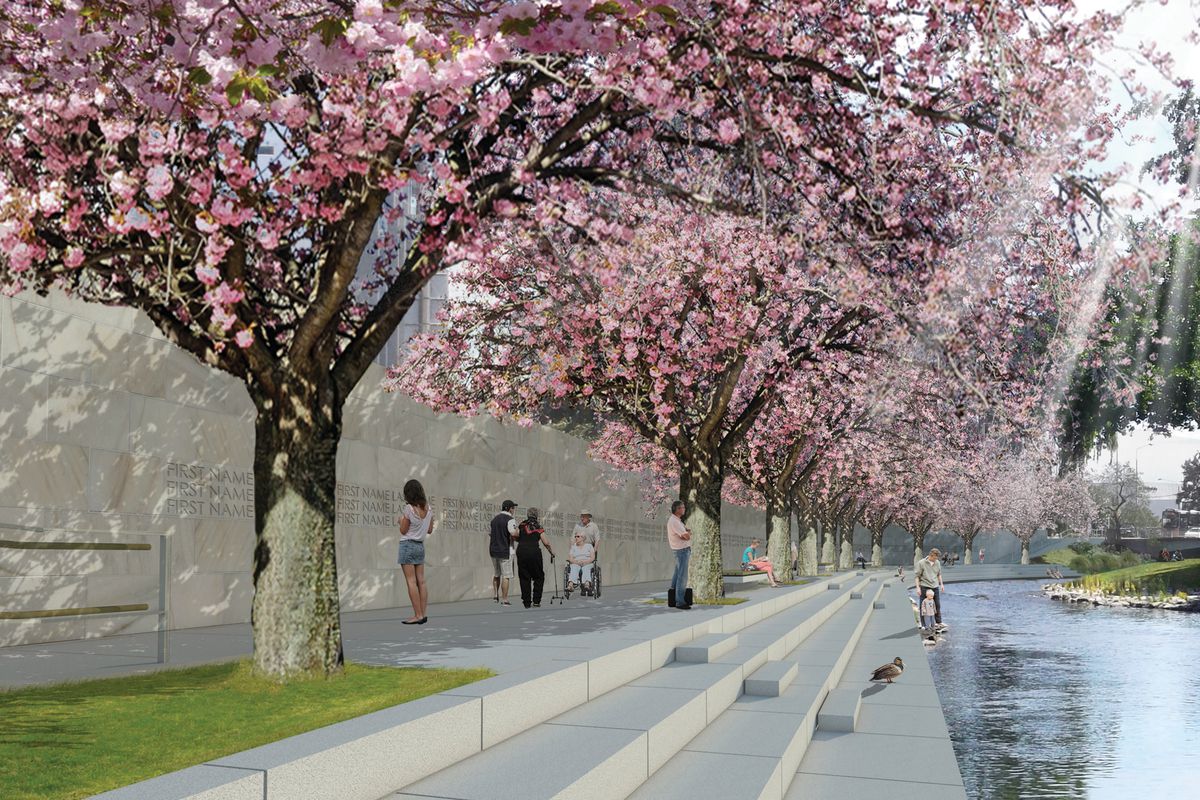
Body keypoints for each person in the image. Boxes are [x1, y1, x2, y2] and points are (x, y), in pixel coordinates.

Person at [398, 479, 433, 625]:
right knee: (421, 581)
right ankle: (422, 614)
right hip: (420, 546)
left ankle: (417, 615)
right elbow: (430, 530)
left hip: (407, 545)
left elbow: (403, 530)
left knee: (411, 582)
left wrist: (400, 520)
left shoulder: (409, 509)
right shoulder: (429, 509)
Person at [515, 507, 555, 608]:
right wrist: (551, 552)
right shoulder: (538, 526)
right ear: (536, 516)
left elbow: (515, 535)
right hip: (534, 553)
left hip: (521, 552)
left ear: (528, 515)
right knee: (539, 577)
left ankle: (527, 602)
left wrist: (521, 541)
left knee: (524, 577)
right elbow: (546, 542)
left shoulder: (522, 524)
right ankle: (536, 601)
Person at [489, 499, 520, 605]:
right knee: (506, 576)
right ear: (509, 508)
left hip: (493, 550)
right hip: (506, 551)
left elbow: (490, 534)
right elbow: (514, 533)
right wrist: (518, 533)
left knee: (496, 574)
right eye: (513, 508)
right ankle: (505, 599)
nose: (513, 510)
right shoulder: (510, 520)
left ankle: (495, 596)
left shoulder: (494, 520)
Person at [667, 500, 692, 610]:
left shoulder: (676, 521)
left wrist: (685, 533)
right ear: (677, 509)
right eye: (682, 507)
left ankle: (673, 599)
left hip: (680, 550)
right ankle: (680, 602)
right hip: (682, 551)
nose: (684, 509)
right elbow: (686, 536)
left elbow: (684, 534)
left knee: (677, 574)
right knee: (682, 577)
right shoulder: (675, 522)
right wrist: (687, 534)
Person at [915, 547, 947, 632]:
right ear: (931, 555)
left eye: (937, 558)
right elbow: (917, 576)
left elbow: (939, 574)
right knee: (923, 606)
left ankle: (938, 622)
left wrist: (942, 585)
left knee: (937, 605)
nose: (936, 560)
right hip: (924, 586)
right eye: (935, 558)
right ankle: (923, 624)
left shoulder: (937, 563)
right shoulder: (921, 563)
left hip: (935, 586)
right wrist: (918, 588)